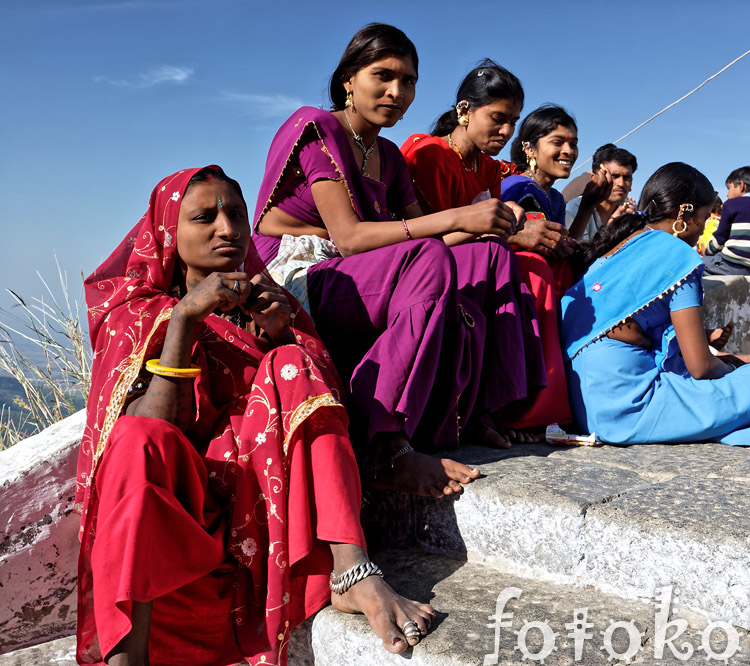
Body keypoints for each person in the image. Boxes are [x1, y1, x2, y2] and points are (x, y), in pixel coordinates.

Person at [76, 166, 435, 666]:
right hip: (178, 510)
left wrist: (278, 339)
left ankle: (353, 571)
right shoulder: (137, 315)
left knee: (291, 364)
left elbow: (328, 412)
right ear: (168, 234)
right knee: (136, 440)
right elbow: (148, 430)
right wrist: (184, 320)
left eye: (236, 214)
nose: (227, 229)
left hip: (261, 501)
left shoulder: (274, 306)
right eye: (205, 217)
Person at [253, 24, 531, 476]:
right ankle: (385, 443)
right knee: (431, 258)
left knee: (490, 257)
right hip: (302, 272)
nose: (396, 92)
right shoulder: (318, 127)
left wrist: (490, 229)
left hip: (362, 270)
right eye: (382, 76)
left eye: (408, 81)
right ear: (348, 80)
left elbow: (424, 234)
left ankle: (481, 412)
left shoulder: (388, 154)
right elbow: (349, 237)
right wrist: (459, 217)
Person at [561, 162, 750, 446]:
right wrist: (737, 368)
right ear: (684, 212)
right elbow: (700, 368)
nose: (707, 226)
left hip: (584, 408)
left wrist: (740, 360)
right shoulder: (678, 257)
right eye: (706, 216)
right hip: (627, 412)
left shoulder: (618, 245)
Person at [398, 60, 548, 444]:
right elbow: (425, 241)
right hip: (426, 266)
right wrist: (501, 233)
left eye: (513, 121)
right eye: (498, 118)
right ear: (464, 111)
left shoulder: (481, 165)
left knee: (524, 262)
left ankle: (511, 409)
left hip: (470, 261)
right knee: (495, 255)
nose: (507, 131)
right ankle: (480, 411)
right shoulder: (431, 155)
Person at [497, 105, 612, 438]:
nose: (569, 151)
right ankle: (522, 412)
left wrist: (588, 203)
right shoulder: (517, 187)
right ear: (530, 148)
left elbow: (560, 244)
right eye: (558, 141)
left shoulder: (555, 198)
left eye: (573, 143)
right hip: (522, 277)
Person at [702, 166, 750, 275]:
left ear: (741, 185)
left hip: (732, 264)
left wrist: (707, 250)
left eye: (729, 188)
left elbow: (721, 237)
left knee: (697, 265)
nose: (727, 194)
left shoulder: (732, 204)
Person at [564, 144, 638, 242]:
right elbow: (576, 252)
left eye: (626, 177)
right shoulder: (576, 207)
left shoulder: (631, 211)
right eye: (614, 176)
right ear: (594, 179)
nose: (621, 183)